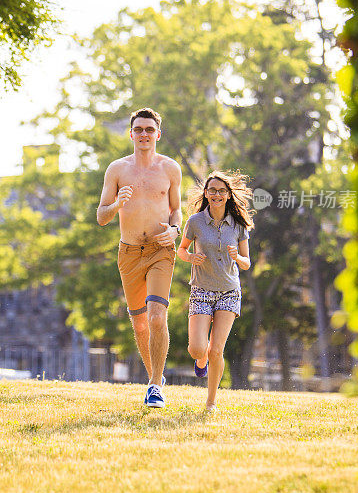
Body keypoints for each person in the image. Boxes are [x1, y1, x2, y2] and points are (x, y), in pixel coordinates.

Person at [97, 107, 182, 408]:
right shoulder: (117, 170)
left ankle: (155, 386)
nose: (144, 134)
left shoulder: (170, 169)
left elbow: (176, 209)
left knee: (158, 316)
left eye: (149, 129)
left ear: (158, 134)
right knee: (140, 325)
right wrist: (117, 205)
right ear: (131, 134)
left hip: (161, 250)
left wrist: (175, 229)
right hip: (130, 252)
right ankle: (155, 377)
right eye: (139, 129)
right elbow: (101, 216)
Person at [177, 170, 254, 411]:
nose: (217, 195)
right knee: (198, 348)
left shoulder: (238, 225)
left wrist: (237, 257)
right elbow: (181, 250)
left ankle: (211, 402)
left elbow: (247, 262)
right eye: (212, 190)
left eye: (222, 191)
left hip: (229, 292)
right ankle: (201, 360)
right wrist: (190, 257)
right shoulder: (195, 222)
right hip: (201, 289)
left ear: (229, 195)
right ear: (206, 193)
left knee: (217, 350)